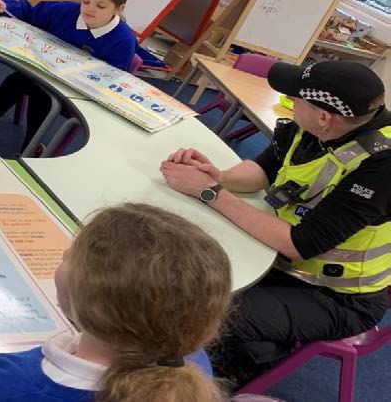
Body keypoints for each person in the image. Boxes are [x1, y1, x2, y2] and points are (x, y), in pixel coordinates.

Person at [160, 59, 390, 385]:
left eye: (296, 98)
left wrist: (209, 193)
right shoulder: (315, 129)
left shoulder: (380, 166)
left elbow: (300, 243)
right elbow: (265, 170)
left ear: (324, 117)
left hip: (337, 297)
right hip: (281, 263)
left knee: (205, 312)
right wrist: (219, 176)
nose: (290, 100)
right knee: (180, 273)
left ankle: (233, 368)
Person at [0, 203, 231, 402]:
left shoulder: (8, 382)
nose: (63, 254)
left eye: (71, 255)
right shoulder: (191, 364)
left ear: (93, 304)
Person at [0, 0, 136, 153]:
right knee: (16, 81)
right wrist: (2, 7)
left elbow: (112, 79)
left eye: (101, 6)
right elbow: (29, 12)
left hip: (77, 94)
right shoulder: (65, 11)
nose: (89, 9)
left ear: (119, 8)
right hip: (42, 75)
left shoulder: (123, 40)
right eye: (86, 1)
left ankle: (32, 143)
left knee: (42, 96)